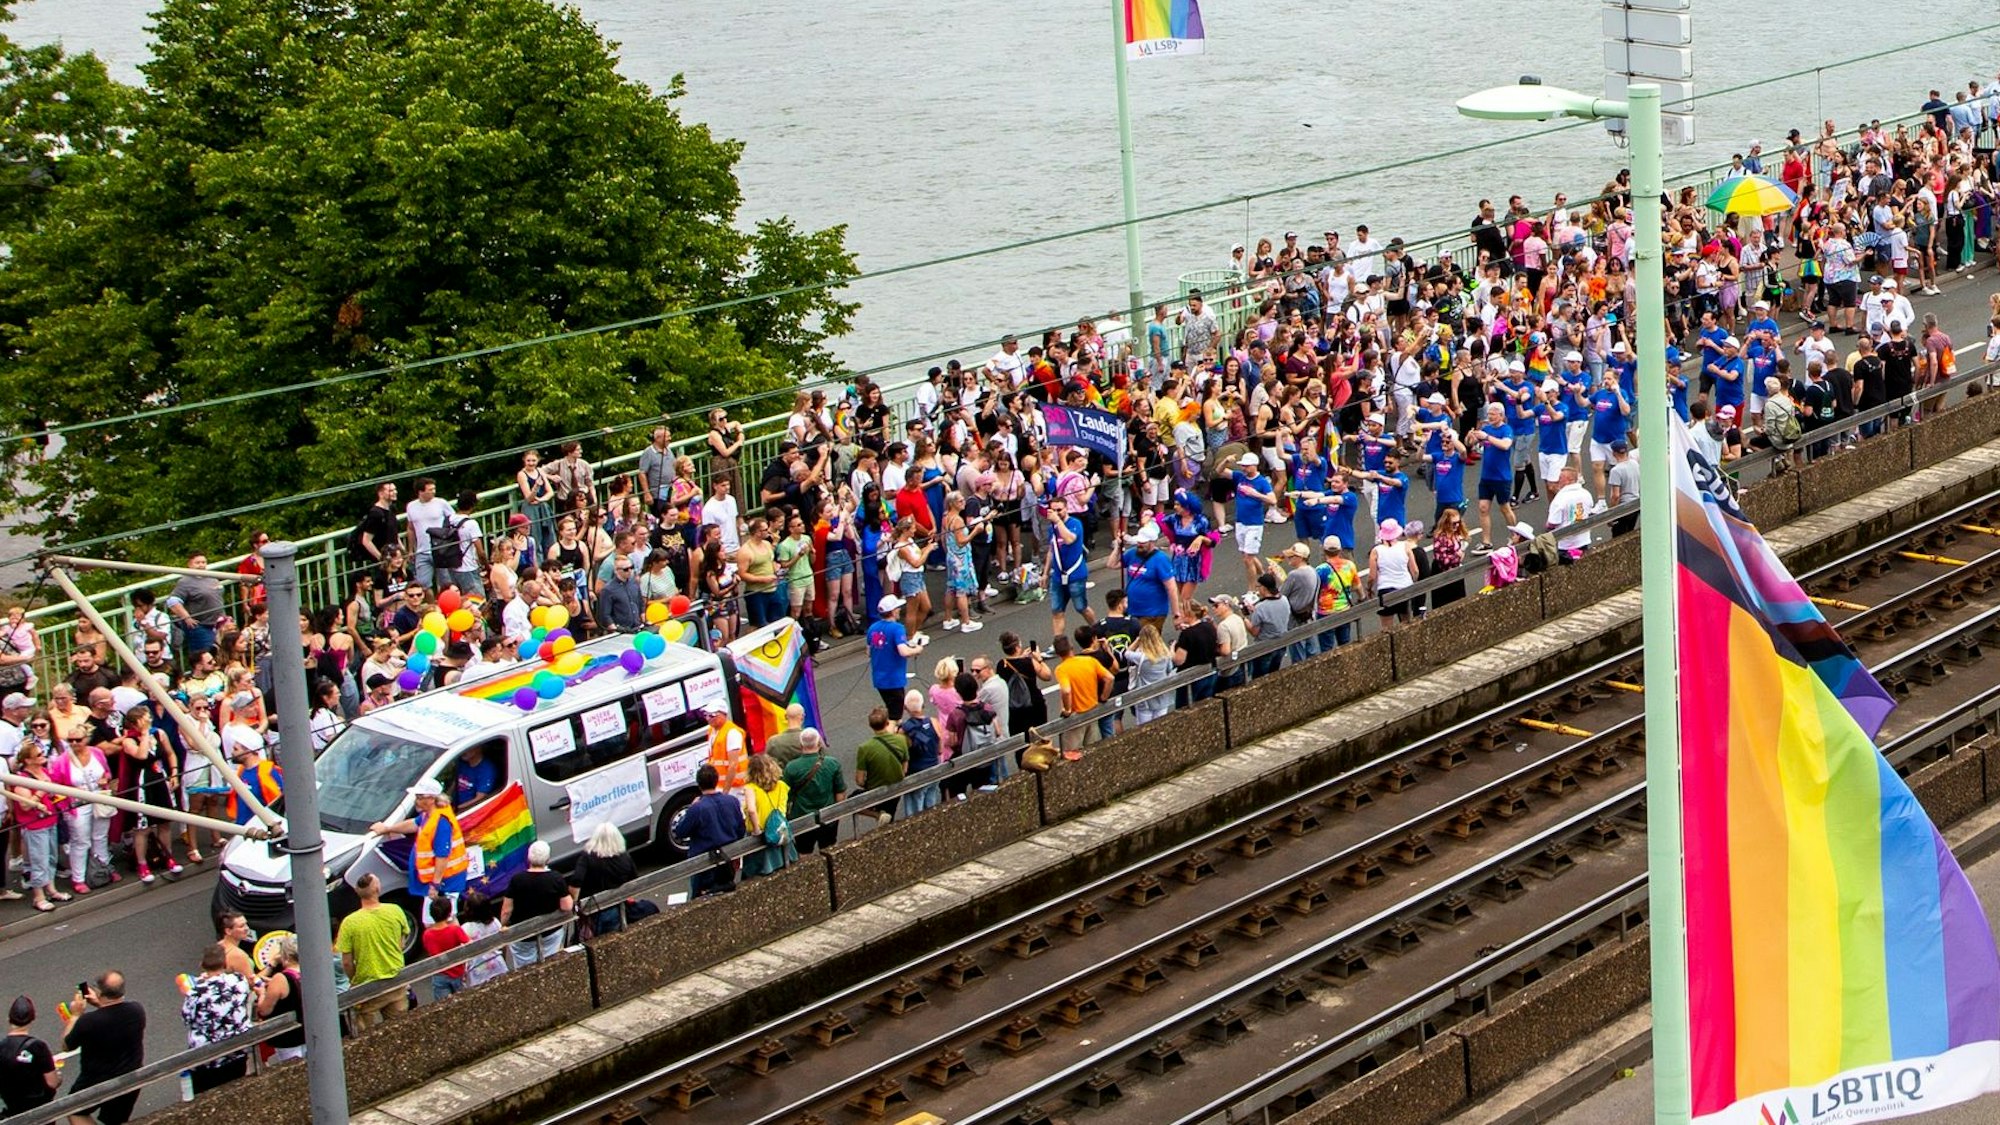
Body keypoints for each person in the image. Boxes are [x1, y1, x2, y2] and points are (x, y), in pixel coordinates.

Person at [369, 777, 467, 908]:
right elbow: (413, 824)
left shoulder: (441, 822)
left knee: (442, 920)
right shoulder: (429, 815)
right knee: (437, 921)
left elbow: (442, 856)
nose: (417, 801)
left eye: (420, 797)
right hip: (438, 882)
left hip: (445, 883)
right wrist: (387, 829)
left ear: (431, 799)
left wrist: (435, 885)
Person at [62, 972, 144, 1124]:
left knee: (73, 1109)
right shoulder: (137, 1011)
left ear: (99, 992)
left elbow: (67, 1045)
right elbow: (113, 1015)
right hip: (130, 1076)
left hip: (96, 1080)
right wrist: (100, 1004)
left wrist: (75, 1015)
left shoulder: (88, 1022)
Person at [337, 873, 413, 1029]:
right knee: (398, 1030)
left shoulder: (349, 923)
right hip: (395, 980)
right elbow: (401, 943)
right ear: (378, 889)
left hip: (366, 986)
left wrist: (354, 980)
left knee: (365, 1035)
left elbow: (346, 962)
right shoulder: (395, 911)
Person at [180, 943, 252, 1093]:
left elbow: (187, 1018)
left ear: (202, 964)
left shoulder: (196, 992)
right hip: (237, 1051)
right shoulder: (239, 980)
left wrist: (200, 983)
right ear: (225, 963)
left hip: (207, 1059)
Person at [682, 764, 747, 895]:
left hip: (704, 864)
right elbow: (741, 829)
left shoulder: (697, 808)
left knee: (698, 897)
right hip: (728, 858)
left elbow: (680, 831)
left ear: (699, 785)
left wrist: (690, 809)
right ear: (717, 781)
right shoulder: (732, 801)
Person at [781, 730, 846, 853]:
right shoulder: (832, 763)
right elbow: (840, 792)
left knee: (804, 853)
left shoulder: (791, 768)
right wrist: (837, 815)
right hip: (828, 817)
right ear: (819, 744)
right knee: (830, 851)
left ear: (801, 745)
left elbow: (785, 795)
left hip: (802, 819)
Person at [568, 822, 637, 936]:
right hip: (616, 907)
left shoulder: (587, 858)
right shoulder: (625, 857)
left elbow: (576, 880)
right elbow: (633, 881)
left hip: (592, 909)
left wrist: (574, 902)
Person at [866, 594, 925, 713]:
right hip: (894, 679)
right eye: (897, 608)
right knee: (896, 715)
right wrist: (917, 649)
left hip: (879, 679)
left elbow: (868, 652)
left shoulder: (872, 628)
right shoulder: (897, 628)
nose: (899, 610)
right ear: (892, 611)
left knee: (892, 708)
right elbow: (904, 652)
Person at [0, 996, 57, 1116]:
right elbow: (52, 1082)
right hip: (40, 1110)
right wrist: (59, 1078)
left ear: (8, 1019)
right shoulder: (38, 1046)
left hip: (13, 1108)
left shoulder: (1, 1046)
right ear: (32, 1019)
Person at [852, 707, 909, 822]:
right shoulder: (901, 740)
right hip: (896, 786)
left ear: (870, 726)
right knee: (891, 813)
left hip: (875, 789)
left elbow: (859, 780)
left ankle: (878, 815)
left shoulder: (865, 748)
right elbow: (905, 766)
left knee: (851, 801)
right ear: (887, 723)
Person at [421, 897, 472, 1001]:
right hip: (458, 972)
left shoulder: (427, 934)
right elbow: (470, 944)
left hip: (440, 974)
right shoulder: (455, 930)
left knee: (444, 1005)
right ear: (449, 913)